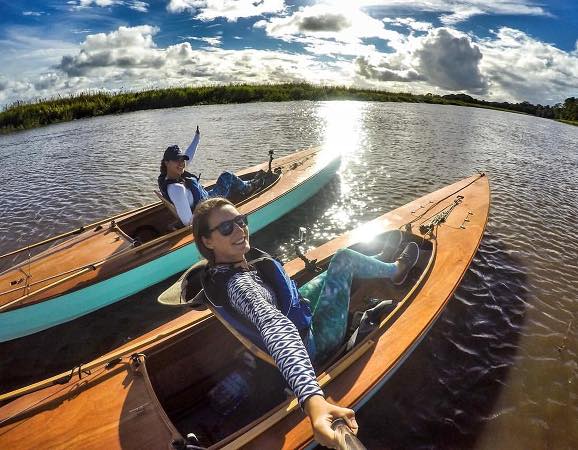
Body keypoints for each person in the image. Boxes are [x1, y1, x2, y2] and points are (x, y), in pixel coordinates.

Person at [191, 197, 420, 449]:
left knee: (341, 262)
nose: (239, 230)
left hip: (296, 311)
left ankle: (376, 262)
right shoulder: (241, 286)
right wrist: (312, 398)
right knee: (343, 259)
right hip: (311, 342)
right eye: (226, 228)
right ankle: (395, 271)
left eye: (240, 221)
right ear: (207, 241)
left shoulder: (220, 268)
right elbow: (275, 326)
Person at [158, 126, 260, 226]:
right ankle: (248, 187)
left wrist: (197, 137)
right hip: (208, 205)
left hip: (204, 197)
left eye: (182, 160)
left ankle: (246, 184)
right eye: (176, 160)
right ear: (166, 162)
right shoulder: (177, 189)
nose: (181, 163)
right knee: (227, 176)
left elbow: (189, 154)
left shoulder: (171, 174)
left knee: (230, 182)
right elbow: (188, 222)